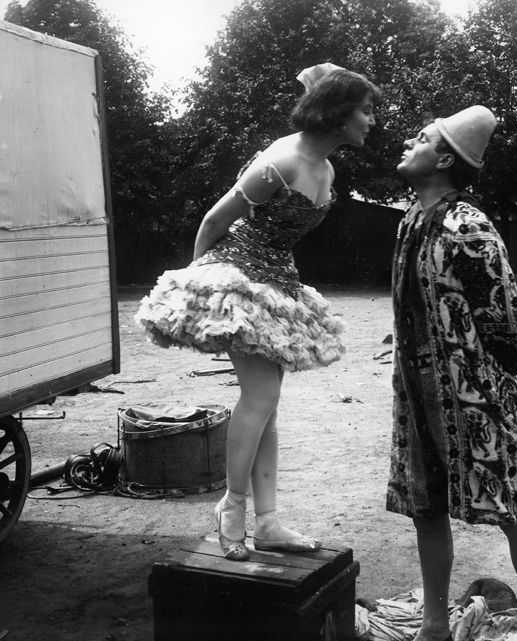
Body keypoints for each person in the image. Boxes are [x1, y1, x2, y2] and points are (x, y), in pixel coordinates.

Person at [135, 64, 380, 561]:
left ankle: (267, 522)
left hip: (276, 281)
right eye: (366, 110)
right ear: (338, 114)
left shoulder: (326, 168)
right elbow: (215, 220)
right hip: (238, 277)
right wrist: (202, 289)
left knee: (268, 403)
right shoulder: (281, 161)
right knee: (261, 396)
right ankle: (232, 508)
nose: (372, 121)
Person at [387, 106, 517, 641]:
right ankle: (434, 624)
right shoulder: (411, 220)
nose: (407, 143)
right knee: (426, 506)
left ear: (444, 159)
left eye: (420, 139)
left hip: (477, 395)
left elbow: (509, 321)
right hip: (418, 392)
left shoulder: (469, 227)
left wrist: (492, 370)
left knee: (512, 506)